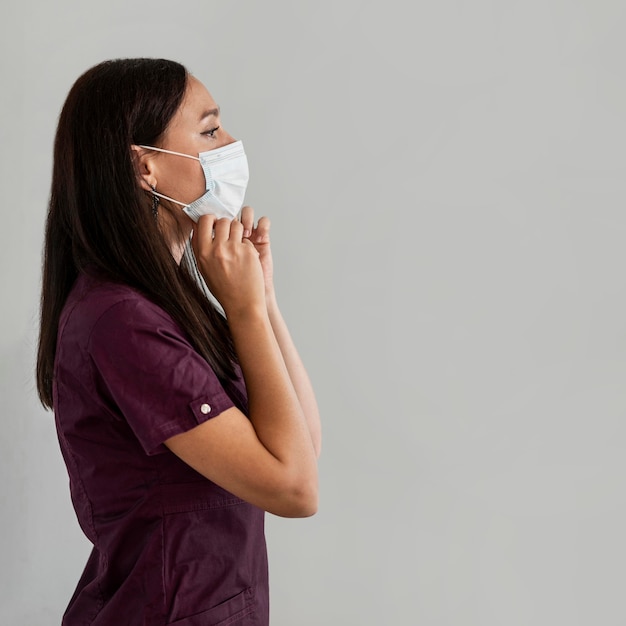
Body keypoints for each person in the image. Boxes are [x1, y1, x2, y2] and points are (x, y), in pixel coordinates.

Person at [36, 58, 321, 626]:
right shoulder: (123, 322)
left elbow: (303, 447)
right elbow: (295, 491)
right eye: (210, 130)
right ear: (146, 168)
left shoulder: (168, 303)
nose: (233, 143)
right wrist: (241, 312)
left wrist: (261, 303)